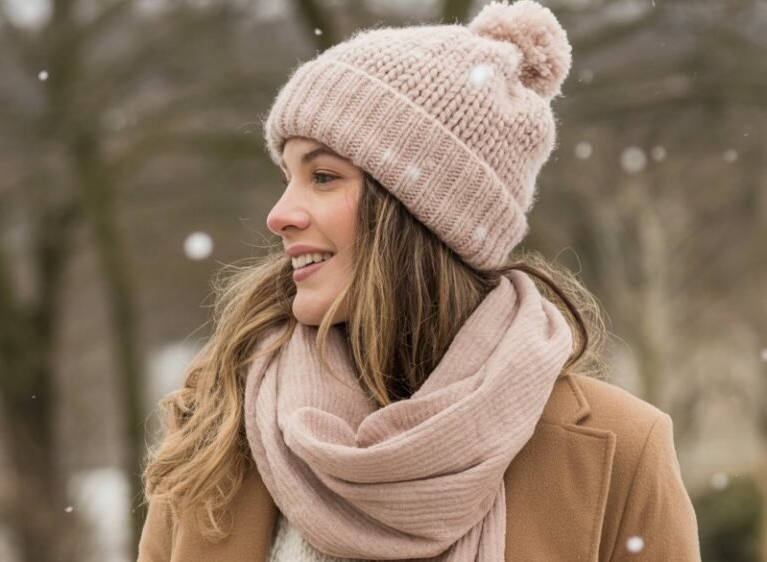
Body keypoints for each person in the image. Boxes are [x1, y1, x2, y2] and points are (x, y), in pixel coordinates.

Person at [137, 1, 701, 560]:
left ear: (422, 212)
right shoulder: (218, 426)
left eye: (324, 176)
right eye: (289, 177)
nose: (279, 214)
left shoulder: (622, 448)